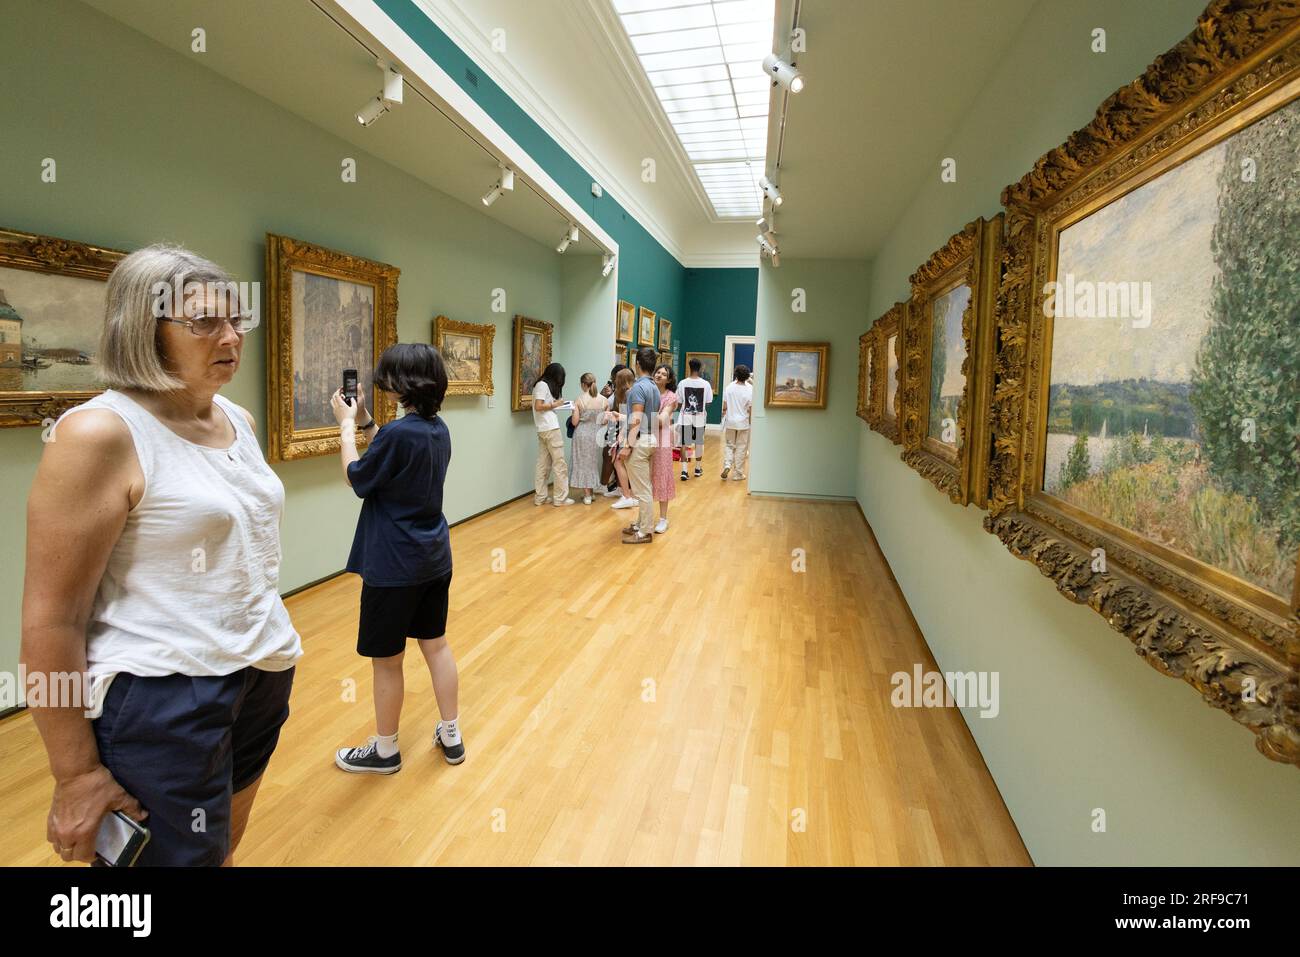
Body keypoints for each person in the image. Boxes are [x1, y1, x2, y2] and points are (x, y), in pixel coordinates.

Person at [21, 244, 302, 866]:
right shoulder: (99, 434)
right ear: (144, 331)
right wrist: (73, 775)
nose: (229, 336)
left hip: (260, 672)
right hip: (163, 697)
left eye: (236, 320)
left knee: (219, 848)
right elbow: (50, 621)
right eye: (203, 321)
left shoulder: (238, 419)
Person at [331, 343, 463, 774]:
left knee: (387, 661)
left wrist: (347, 428)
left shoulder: (396, 435)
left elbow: (357, 477)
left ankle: (385, 750)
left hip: (393, 565)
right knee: (436, 645)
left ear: (403, 384)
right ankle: (451, 733)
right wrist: (368, 421)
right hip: (432, 558)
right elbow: (394, 453)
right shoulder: (436, 429)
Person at [618, 347, 660, 544]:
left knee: (642, 489)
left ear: (637, 365)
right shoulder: (654, 388)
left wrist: (628, 444)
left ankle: (645, 531)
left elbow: (636, 419)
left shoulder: (637, 388)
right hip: (651, 438)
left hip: (640, 440)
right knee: (643, 485)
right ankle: (641, 523)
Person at [531, 362, 574, 507]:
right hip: (551, 429)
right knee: (559, 463)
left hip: (543, 429)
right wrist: (555, 405)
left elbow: (542, 405)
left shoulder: (541, 385)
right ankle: (560, 498)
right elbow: (538, 406)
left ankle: (541, 497)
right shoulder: (542, 385)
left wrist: (555, 403)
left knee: (543, 464)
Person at [569, 372, 611, 504]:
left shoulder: (579, 400)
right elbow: (605, 421)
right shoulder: (604, 400)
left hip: (581, 435)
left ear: (583, 384)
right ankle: (591, 493)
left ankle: (587, 495)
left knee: (582, 463)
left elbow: (575, 422)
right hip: (596, 435)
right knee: (592, 463)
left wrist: (573, 413)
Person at [650, 363, 678, 534]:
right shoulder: (649, 392)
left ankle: (662, 519)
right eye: (657, 372)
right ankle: (644, 517)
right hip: (646, 438)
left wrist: (642, 415)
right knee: (646, 477)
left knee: (662, 476)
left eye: (663, 374)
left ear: (669, 379)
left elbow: (661, 420)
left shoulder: (671, 397)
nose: (659, 375)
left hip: (662, 440)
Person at [676, 357, 714, 481]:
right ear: (701, 368)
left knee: (684, 443)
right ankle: (697, 469)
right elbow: (708, 402)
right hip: (699, 418)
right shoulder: (706, 384)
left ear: (689, 367)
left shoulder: (682, 383)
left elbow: (680, 401)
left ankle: (684, 470)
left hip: (685, 417)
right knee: (698, 443)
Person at [608, 368, 637, 510]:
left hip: (628, 434)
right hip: (627, 433)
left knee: (618, 462)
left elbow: (631, 418)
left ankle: (627, 495)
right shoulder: (630, 393)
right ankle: (630, 494)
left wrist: (621, 438)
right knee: (622, 462)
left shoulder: (629, 394)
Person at [722, 364, 754, 480]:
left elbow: (724, 406)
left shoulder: (729, 387)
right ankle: (737, 474)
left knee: (729, 445)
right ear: (747, 376)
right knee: (741, 448)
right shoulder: (750, 389)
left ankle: (727, 465)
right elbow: (750, 408)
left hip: (730, 421)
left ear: (736, 374)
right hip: (743, 423)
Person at [599, 364, 627, 496]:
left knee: (609, 455)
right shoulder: (615, 391)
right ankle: (616, 487)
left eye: (614, 377)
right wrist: (603, 395)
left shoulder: (624, 392)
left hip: (617, 426)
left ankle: (607, 486)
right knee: (610, 456)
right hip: (613, 425)